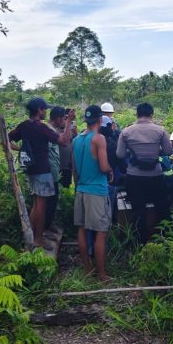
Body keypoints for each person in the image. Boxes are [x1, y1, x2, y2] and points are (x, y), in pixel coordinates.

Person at [9, 97, 75, 248]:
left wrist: (21, 150)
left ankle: (33, 235)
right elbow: (63, 140)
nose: (45, 112)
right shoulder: (42, 127)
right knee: (41, 204)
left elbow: (7, 139)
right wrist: (69, 121)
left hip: (31, 169)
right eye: (44, 109)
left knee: (36, 203)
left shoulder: (24, 126)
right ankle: (38, 238)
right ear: (39, 110)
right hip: (42, 170)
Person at [116, 103, 172, 244]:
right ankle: (163, 239)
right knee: (161, 208)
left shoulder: (126, 132)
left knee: (138, 211)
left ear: (137, 114)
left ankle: (140, 243)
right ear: (151, 114)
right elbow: (168, 151)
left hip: (134, 177)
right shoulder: (160, 130)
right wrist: (155, 151)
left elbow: (120, 154)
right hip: (155, 176)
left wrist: (132, 151)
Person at [72, 105, 113, 282]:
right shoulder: (98, 139)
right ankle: (102, 274)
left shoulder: (76, 140)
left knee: (82, 229)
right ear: (100, 120)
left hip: (81, 189)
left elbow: (74, 170)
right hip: (96, 190)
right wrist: (110, 170)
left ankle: (88, 268)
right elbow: (103, 167)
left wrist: (78, 186)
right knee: (101, 232)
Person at [43, 106, 73, 231]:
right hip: (49, 172)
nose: (64, 121)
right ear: (58, 119)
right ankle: (44, 229)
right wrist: (69, 121)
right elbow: (64, 141)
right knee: (49, 202)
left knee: (50, 202)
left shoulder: (49, 129)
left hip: (51, 172)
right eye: (63, 118)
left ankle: (46, 227)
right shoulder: (49, 130)